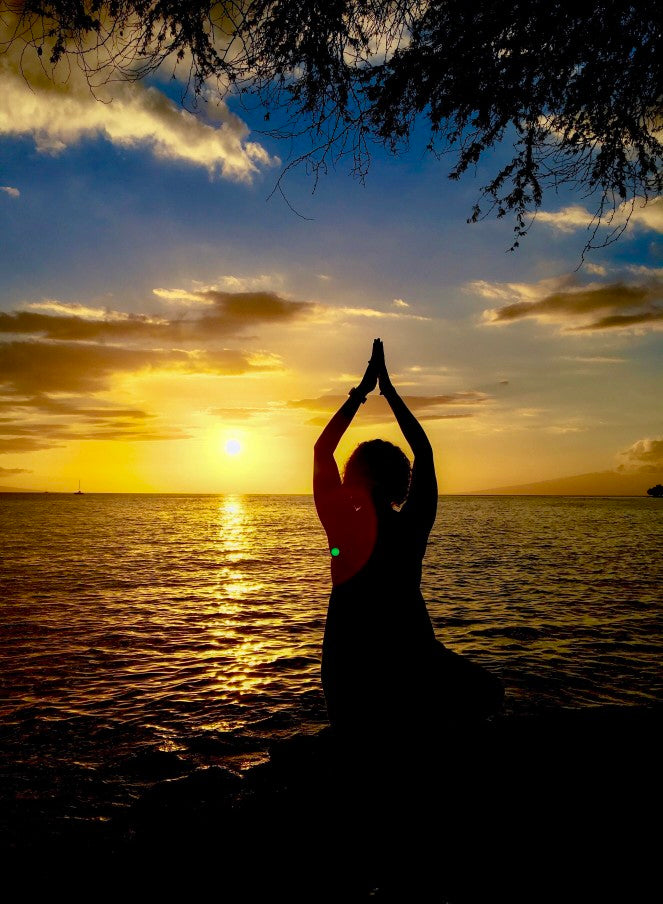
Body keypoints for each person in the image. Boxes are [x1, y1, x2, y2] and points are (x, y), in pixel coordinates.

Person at [314, 338, 503, 739]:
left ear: (352, 478)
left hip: (349, 676)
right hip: (412, 665)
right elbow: (425, 451)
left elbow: (322, 450)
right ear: (403, 481)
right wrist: (389, 391)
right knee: (490, 693)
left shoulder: (342, 527)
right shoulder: (411, 526)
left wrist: (361, 393)